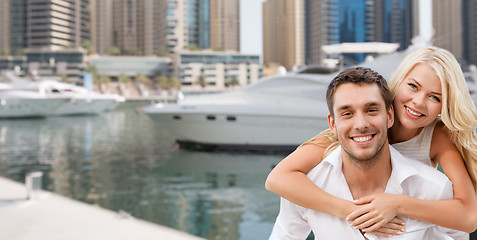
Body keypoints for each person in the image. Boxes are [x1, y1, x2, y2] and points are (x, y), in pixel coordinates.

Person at [266, 47, 477, 237]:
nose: (419, 102)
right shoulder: (345, 137)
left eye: (435, 98)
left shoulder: (437, 137)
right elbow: (277, 178)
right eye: (413, 86)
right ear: (399, 81)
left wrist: (397, 203)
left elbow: (468, 217)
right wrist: (352, 212)